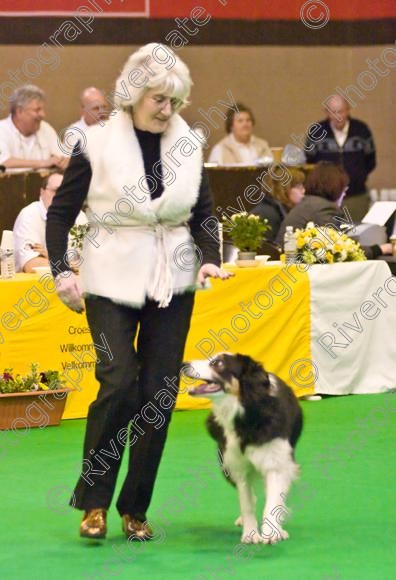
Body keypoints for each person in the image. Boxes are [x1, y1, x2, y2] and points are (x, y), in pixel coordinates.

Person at [46, 43, 232, 541]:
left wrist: (210, 257)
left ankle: (135, 508)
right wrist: (62, 270)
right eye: (157, 98)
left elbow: (203, 214)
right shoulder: (96, 142)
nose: (166, 108)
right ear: (132, 94)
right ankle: (93, 503)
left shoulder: (188, 145)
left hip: (172, 281)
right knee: (119, 381)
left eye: (173, 100)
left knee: (158, 395)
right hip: (109, 279)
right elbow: (60, 213)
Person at [276, 162, 392, 259]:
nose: (345, 193)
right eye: (344, 189)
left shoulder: (307, 203)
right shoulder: (324, 208)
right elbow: (341, 251)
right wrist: (380, 249)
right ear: (335, 188)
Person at [305, 95, 376, 222]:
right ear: (327, 113)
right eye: (333, 112)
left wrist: (357, 177)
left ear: (348, 110)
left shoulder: (361, 130)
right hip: (326, 198)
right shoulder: (316, 131)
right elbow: (309, 162)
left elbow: (371, 161)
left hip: (356, 195)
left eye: (341, 111)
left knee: (356, 232)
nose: (338, 116)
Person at [13, 172, 87, 272]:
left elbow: (93, 261)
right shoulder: (29, 215)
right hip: (34, 285)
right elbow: (31, 265)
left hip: (73, 283)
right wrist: (72, 265)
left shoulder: (80, 217)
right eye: (56, 190)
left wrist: (52, 259)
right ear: (42, 192)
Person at [0, 85, 68, 171]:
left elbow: (63, 157)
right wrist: (44, 163)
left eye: (43, 109)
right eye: (37, 110)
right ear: (19, 111)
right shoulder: (2, 130)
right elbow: (3, 161)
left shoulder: (45, 128)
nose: (43, 115)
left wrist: (62, 161)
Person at [250, 167, 306, 241]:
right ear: (283, 189)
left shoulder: (280, 209)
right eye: (298, 187)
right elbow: (268, 249)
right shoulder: (267, 215)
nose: (303, 191)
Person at [62, 87, 109, 155]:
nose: (102, 112)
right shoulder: (73, 133)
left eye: (104, 107)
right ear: (83, 111)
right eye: (96, 108)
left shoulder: (113, 128)